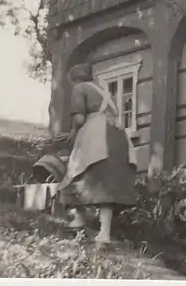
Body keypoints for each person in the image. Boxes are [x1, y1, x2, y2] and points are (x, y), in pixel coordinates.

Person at [57, 62, 137, 244]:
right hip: (119, 139)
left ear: (74, 79)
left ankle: (79, 219)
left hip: (98, 136)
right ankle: (104, 233)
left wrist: (72, 132)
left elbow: (79, 118)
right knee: (106, 184)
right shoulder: (102, 91)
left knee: (76, 172)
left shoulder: (79, 88)